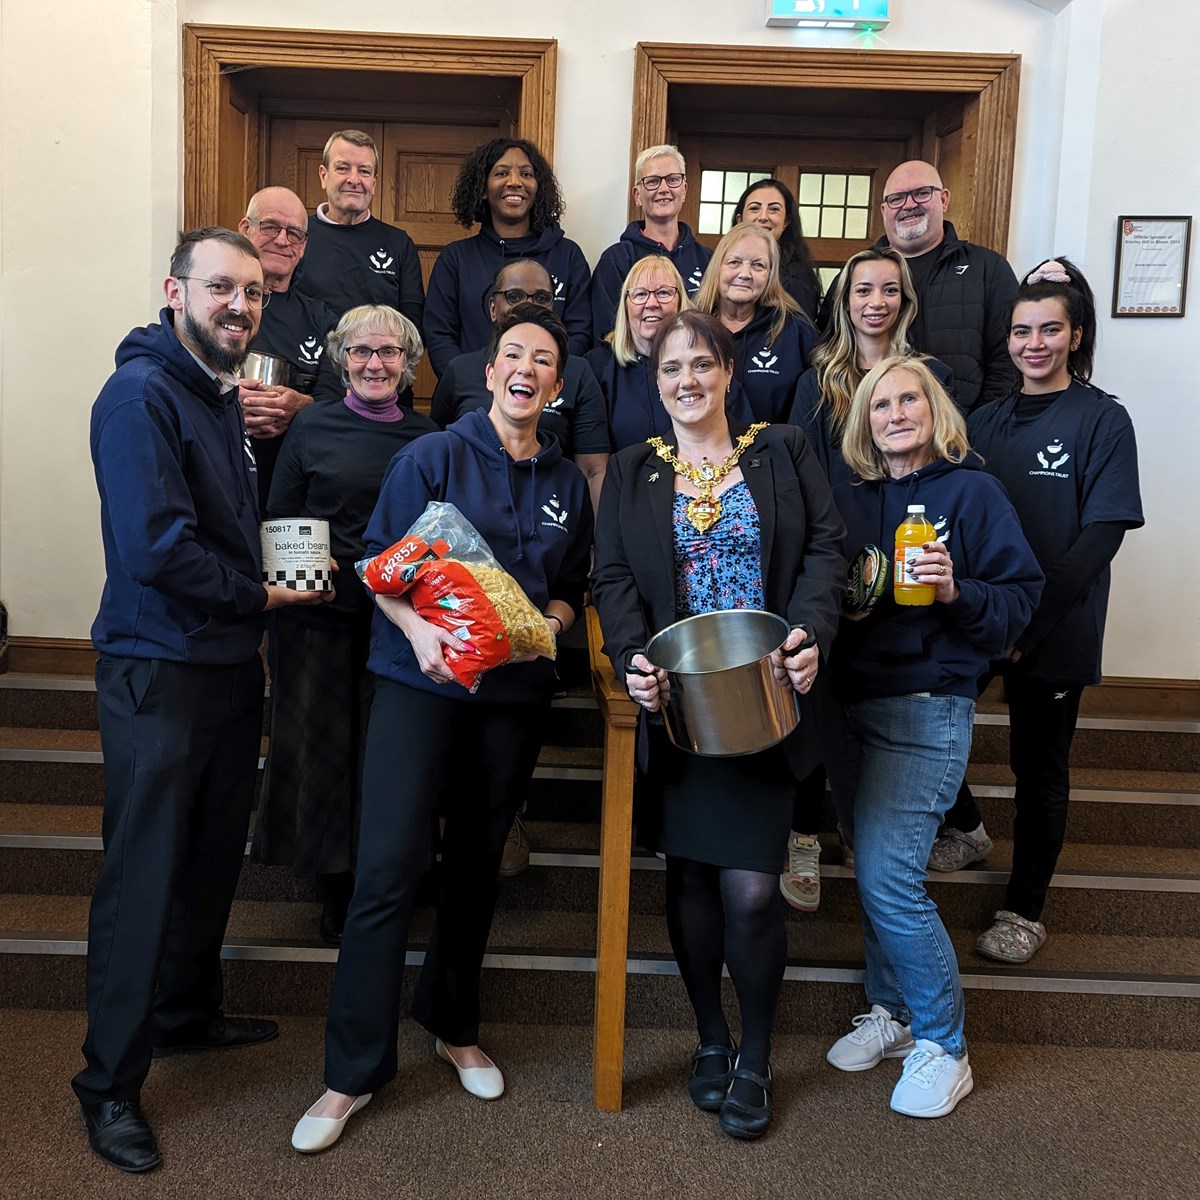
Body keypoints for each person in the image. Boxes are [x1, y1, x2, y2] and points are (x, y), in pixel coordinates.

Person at [290, 304, 593, 1154]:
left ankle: (453, 1022)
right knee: (387, 870)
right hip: (417, 686)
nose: (525, 368)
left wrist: (551, 624)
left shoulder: (569, 484)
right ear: (489, 374)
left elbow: (572, 586)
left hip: (513, 698)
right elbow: (379, 567)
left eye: (542, 359)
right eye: (511, 355)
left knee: (474, 871)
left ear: (557, 386)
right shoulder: (432, 454)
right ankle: (350, 1072)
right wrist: (421, 632)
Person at [75, 228, 329, 1174]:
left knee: (210, 857)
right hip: (158, 669)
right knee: (144, 875)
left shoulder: (216, 396)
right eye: (223, 287)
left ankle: (183, 1013)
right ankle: (106, 1085)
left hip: (226, 664)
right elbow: (157, 550)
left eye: (255, 293)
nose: (241, 305)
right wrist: (262, 596)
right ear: (175, 290)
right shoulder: (139, 396)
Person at [590, 311, 846, 1141]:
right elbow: (614, 578)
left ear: (729, 371)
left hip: (769, 699)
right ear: (652, 381)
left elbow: (827, 552)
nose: (687, 381)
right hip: (679, 711)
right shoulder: (630, 471)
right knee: (693, 881)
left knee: (754, 889)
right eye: (671, 369)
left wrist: (810, 635)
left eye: (702, 364)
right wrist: (632, 657)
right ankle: (710, 1037)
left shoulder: (784, 451)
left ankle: (757, 1053)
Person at [826, 355, 1042, 1119]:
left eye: (908, 399)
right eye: (880, 405)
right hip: (850, 709)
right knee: (872, 869)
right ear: (864, 424)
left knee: (889, 879)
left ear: (934, 409)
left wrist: (955, 589)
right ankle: (892, 1014)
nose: (894, 413)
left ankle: (945, 1045)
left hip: (927, 708)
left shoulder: (973, 492)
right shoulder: (848, 501)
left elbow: (1021, 598)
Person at [928, 258, 1144, 965]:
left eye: (1050, 329)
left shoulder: (1103, 419)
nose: (1034, 343)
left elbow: (1100, 537)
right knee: (927, 724)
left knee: (1038, 765)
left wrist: (1030, 621)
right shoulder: (983, 420)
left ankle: (1025, 907)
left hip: (1054, 625)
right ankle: (966, 828)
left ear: (1076, 335)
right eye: (1022, 330)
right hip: (979, 615)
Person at [251, 305, 437, 944]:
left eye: (387, 353)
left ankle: (387, 875)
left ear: (408, 365)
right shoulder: (310, 427)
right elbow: (280, 515)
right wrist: (306, 570)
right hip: (319, 617)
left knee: (386, 758)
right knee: (325, 755)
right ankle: (335, 883)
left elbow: (438, 531)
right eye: (361, 352)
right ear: (342, 359)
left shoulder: (426, 436)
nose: (374, 364)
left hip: (399, 623)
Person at [820, 160, 1018, 414]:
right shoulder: (854, 277)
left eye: (922, 193)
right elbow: (830, 348)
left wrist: (979, 426)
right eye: (897, 198)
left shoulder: (988, 269)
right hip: (870, 429)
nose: (909, 204)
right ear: (883, 210)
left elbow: (1007, 360)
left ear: (944, 199)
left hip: (966, 433)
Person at [431, 258, 609, 513]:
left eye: (541, 298)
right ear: (493, 307)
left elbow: (593, 470)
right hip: (465, 521)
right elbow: (440, 452)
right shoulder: (459, 370)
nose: (527, 304)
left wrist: (595, 544)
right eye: (514, 296)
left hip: (550, 514)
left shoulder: (578, 372)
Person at [789, 247, 955, 490]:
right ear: (846, 301)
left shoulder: (934, 376)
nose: (877, 302)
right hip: (840, 523)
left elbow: (947, 458)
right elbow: (801, 471)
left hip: (916, 520)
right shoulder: (815, 384)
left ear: (904, 301)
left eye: (890, 290)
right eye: (864, 291)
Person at [423, 137, 592, 376]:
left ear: (537, 187)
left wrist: (546, 382)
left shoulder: (568, 256)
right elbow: (440, 335)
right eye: (502, 173)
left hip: (550, 398)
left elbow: (580, 333)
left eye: (526, 174)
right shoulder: (456, 259)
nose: (515, 182)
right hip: (476, 399)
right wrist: (470, 385)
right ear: (482, 189)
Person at [236, 186, 343, 511]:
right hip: (220, 474)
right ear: (245, 229)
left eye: (294, 233)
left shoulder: (322, 319)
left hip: (294, 489)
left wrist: (302, 404)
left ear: (304, 245)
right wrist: (225, 399)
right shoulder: (218, 303)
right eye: (270, 227)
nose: (282, 240)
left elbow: (338, 400)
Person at [293, 129, 424, 328]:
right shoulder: (295, 235)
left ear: (374, 182)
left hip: (374, 359)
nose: (354, 180)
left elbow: (412, 328)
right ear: (324, 175)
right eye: (343, 168)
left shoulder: (399, 244)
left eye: (364, 171)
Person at [692, 222, 819, 424]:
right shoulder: (692, 328)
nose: (744, 274)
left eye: (758, 265)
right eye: (734, 262)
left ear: (770, 275)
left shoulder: (796, 332)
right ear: (718, 267)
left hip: (774, 452)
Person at [589, 144, 712, 343]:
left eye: (673, 180)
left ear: (684, 190)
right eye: (653, 182)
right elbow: (606, 333)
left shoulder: (708, 260)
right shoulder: (616, 260)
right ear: (637, 196)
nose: (663, 189)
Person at [731, 178, 822, 321]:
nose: (763, 217)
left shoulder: (797, 280)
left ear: (786, 221)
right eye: (755, 208)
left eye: (774, 209)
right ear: (739, 219)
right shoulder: (721, 267)